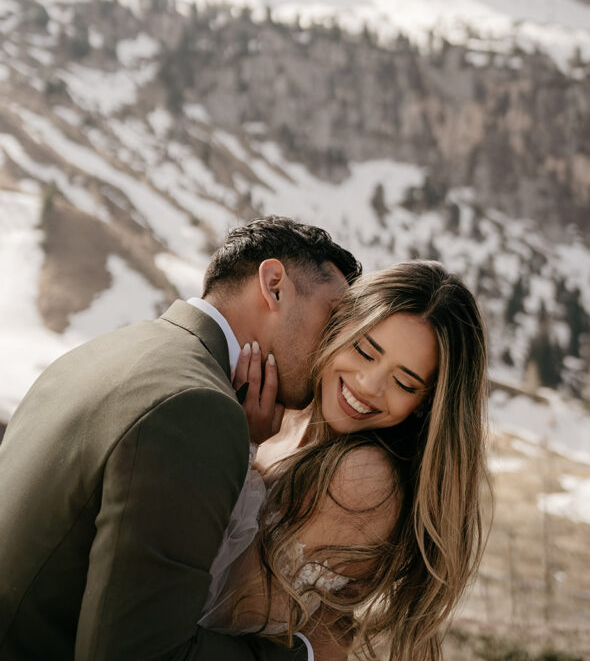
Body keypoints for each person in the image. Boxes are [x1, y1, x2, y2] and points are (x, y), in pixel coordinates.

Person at [0, 216, 360, 661]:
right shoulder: (196, 408)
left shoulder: (103, 353)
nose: (340, 345)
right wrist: (304, 655)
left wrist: (245, 444)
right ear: (274, 285)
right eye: (335, 317)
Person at [202, 260, 490, 661]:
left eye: (404, 382)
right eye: (364, 350)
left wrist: (241, 446)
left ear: (427, 404)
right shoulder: (280, 414)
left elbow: (223, 613)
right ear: (340, 327)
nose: (368, 386)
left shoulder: (363, 479)